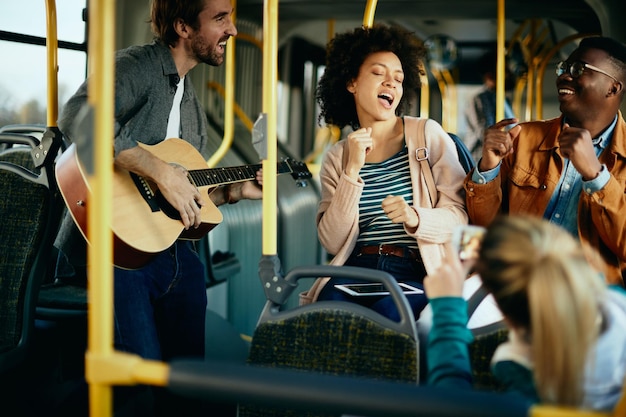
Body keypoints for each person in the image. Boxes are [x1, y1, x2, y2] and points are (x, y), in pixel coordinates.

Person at [55, 0, 262, 414]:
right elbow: (78, 116)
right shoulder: (136, 67)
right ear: (184, 26)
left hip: (175, 255)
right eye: (220, 19)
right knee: (136, 379)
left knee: (187, 386)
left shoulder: (193, 109)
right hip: (116, 251)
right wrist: (157, 170)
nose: (233, 30)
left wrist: (233, 193)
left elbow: (184, 197)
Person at [299, 24, 468, 321]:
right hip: (355, 269)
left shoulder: (427, 134)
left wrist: (417, 217)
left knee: (391, 318)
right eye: (379, 74)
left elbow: (458, 217)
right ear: (351, 82)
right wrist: (352, 171)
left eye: (399, 79)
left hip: (414, 269)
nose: (391, 83)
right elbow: (332, 241)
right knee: (326, 317)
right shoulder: (338, 156)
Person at [465, 36, 626, 286]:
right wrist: (488, 168)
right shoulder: (522, 138)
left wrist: (596, 176)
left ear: (613, 88)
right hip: (515, 283)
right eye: (564, 68)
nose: (563, 76)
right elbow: (486, 229)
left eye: (578, 69)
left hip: (589, 294)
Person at [424, 215, 626, 410]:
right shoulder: (618, 302)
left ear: (508, 317)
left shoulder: (526, 389)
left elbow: (452, 406)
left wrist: (447, 309)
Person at [463, 49, 516, 162]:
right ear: (490, 76)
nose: (509, 74)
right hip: (481, 159)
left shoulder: (503, 99)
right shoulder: (481, 99)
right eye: (505, 70)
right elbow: (487, 134)